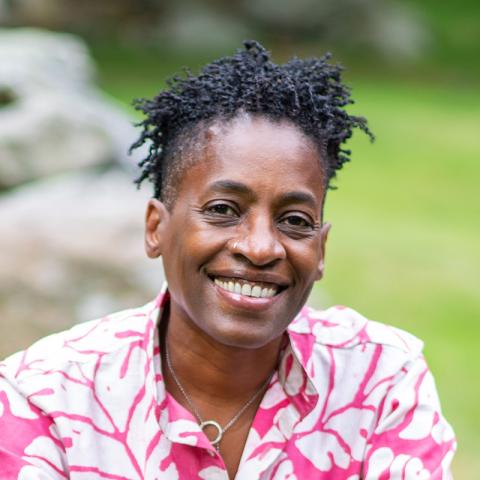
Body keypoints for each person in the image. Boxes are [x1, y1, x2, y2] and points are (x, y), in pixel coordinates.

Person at [0, 41, 455, 479]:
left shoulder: (379, 380)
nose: (260, 248)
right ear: (156, 228)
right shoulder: (46, 397)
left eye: (295, 220)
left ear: (321, 250)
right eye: (223, 210)